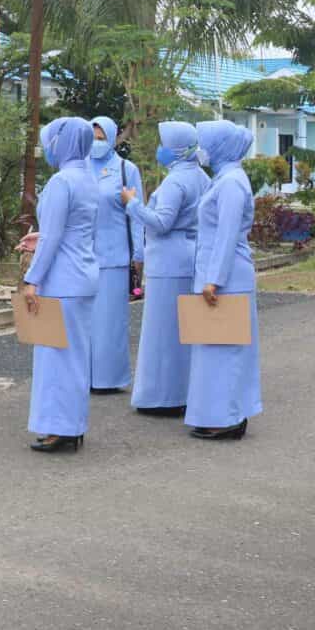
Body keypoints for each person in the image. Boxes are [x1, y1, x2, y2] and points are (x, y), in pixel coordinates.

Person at [21, 116, 100, 453]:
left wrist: (31, 280)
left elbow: (53, 236)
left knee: (55, 358)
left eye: (51, 140)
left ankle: (59, 429)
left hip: (61, 280)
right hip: (82, 276)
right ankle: (72, 425)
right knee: (75, 357)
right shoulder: (88, 178)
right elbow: (72, 230)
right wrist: (44, 237)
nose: (48, 147)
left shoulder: (60, 182)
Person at [122, 122, 210, 417]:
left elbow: (161, 222)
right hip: (189, 257)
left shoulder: (175, 182)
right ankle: (183, 391)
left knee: (162, 332)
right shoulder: (200, 176)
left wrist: (132, 203)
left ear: (173, 148)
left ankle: (161, 396)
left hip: (168, 261)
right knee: (183, 331)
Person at [185, 120, 260, 441]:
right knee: (215, 349)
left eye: (205, 142)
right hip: (220, 274)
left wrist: (214, 279)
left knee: (226, 351)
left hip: (226, 277)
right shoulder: (226, 178)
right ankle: (222, 414)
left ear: (221, 146)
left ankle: (228, 418)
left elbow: (228, 234)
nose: (201, 149)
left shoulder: (231, 183)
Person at [87, 116, 145, 394]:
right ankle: (83, 375)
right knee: (83, 322)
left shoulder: (126, 169)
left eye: (101, 138)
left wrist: (138, 255)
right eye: (92, 138)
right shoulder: (79, 167)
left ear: (111, 139)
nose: (95, 144)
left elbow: (137, 215)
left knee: (110, 323)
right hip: (82, 257)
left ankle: (108, 379)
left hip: (114, 257)